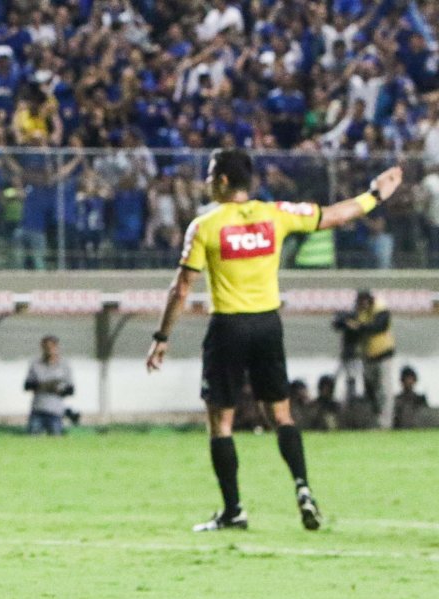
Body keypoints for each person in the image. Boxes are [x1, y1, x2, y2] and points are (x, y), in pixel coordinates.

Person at [146, 148, 402, 532]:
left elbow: (181, 287)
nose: (207, 182)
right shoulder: (276, 214)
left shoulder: (206, 226)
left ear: (224, 181)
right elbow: (334, 215)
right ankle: (303, 488)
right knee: (281, 414)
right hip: (267, 325)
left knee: (221, 422)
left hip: (229, 327)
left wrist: (162, 336)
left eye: (211, 175)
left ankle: (234, 510)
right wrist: (375, 194)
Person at [342, 289, 396, 428]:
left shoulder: (380, 308)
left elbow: (379, 326)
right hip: (368, 356)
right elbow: (342, 322)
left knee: (385, 389)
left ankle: (385, 423)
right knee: (371, 390)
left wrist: (359, 327)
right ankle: (375, 420)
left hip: (383, 354)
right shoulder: (360, 313)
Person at [24, 335, 75, 435]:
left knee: (55, 436)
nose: (49, 350)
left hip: (55, 410)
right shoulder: (35, 364)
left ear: (56, 347)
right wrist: (45, 385)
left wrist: (56, 389)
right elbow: (27, 386)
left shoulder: (64, 366)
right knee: (33, 436)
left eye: (51, 347)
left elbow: (71, 390)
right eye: (46, 347)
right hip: (38, 408)